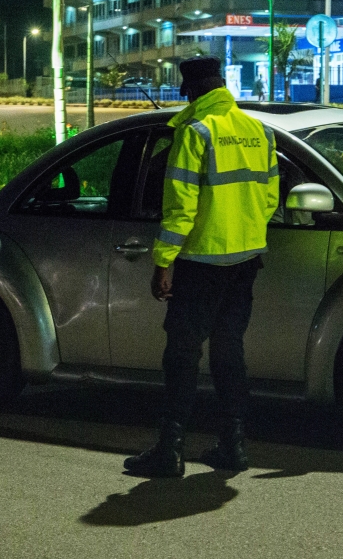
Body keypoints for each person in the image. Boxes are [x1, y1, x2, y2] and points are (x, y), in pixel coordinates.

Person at [123, 57, 279, 478]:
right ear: (222, 85)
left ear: (189, 92)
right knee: (230, 351)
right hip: (245, 260)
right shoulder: (258, 131)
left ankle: (170, 450)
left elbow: (181, 208)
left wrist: (162, 262)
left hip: (201, 260)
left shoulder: (196, 133)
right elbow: (268, 200)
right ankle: (233, 445)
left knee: (182, 354)